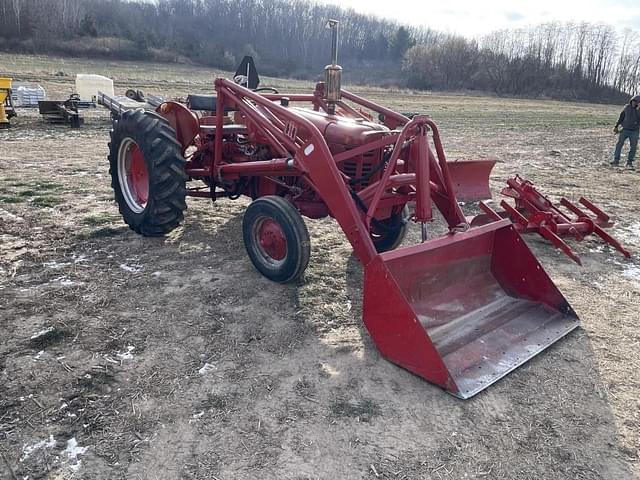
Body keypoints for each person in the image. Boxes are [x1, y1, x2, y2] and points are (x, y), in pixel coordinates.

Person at [612, 95, 640, 169]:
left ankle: (629, 162)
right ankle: (616, 160)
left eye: (637, 102)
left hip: (634, 131)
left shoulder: (639, 110)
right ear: (631, 101)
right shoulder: (626, 107)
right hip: (624, 129)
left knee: (633, 147)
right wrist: (616, 126)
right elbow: (621, 117)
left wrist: (638, 110)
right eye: (634, 101)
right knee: (619, 145)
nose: (634, 103)